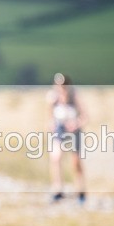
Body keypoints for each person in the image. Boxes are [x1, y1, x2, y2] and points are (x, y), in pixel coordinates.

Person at [47, 73, 87, 204]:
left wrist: (76, 124)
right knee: (56, 157)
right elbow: (49, 117)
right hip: (59, 128)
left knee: (76, 162)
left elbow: (85, 116)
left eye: (63, 85)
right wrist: (51, 125)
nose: (61, 88)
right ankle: (58, 190)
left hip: (73, 129)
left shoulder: (74, 96)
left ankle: (80, 191)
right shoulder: (52, 98)